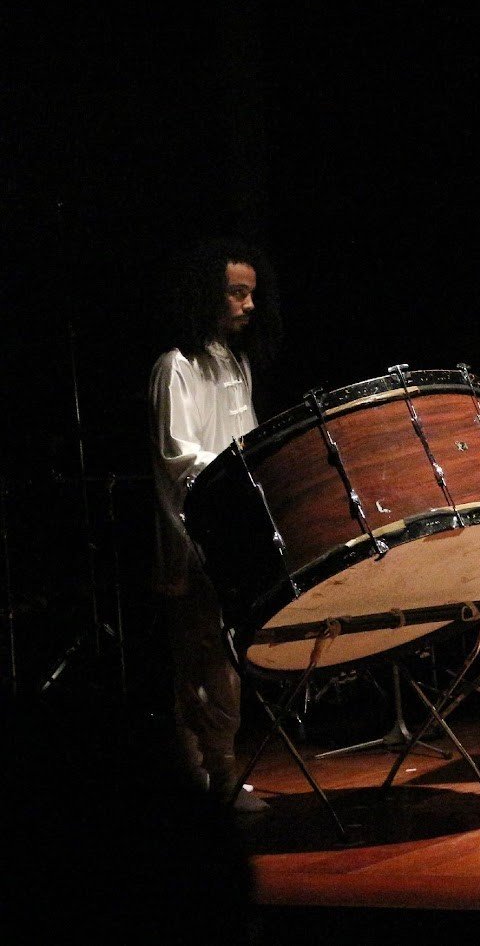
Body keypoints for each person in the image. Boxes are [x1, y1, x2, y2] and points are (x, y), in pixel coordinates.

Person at [149, 238, 282, 813]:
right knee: (201, 659)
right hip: (191, 536)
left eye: (251, 293)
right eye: (237, 292)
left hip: (229, 534)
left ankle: (217, 776)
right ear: (210, 295)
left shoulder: (235, 364)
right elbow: (179, 458)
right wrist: (234, 481)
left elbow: (244, 442)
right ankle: (210, 779)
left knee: (225, 655)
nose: (248, 305)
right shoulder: (175, 367)